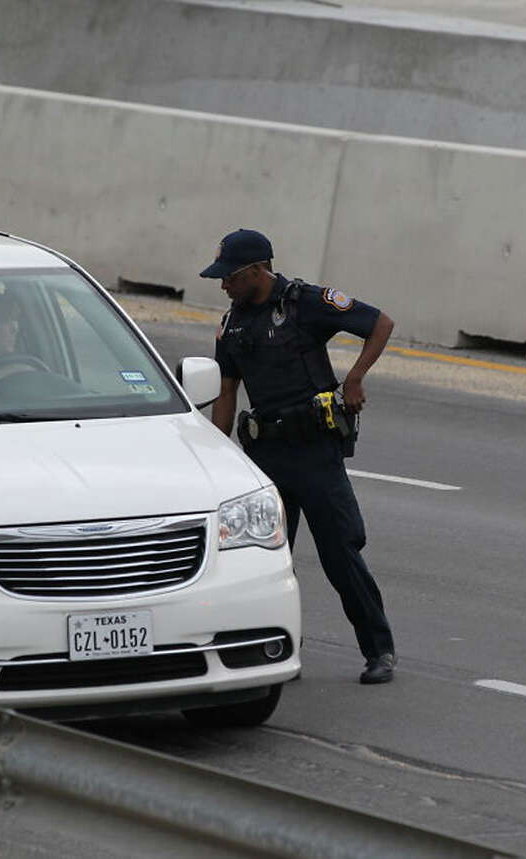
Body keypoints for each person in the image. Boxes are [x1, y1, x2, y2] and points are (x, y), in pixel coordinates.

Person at [201, 228, 398, 685]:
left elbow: (380, 323)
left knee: (340, 554)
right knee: (266, 561)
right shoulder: (232, 324)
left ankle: (379, 650)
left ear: (256, 270)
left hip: (314, 452)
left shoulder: (304, 301)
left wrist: (355, 379)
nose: (222, 285)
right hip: (266, 456)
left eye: (229, 276)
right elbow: (227, 390)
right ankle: (278, 650)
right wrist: (217, 456)